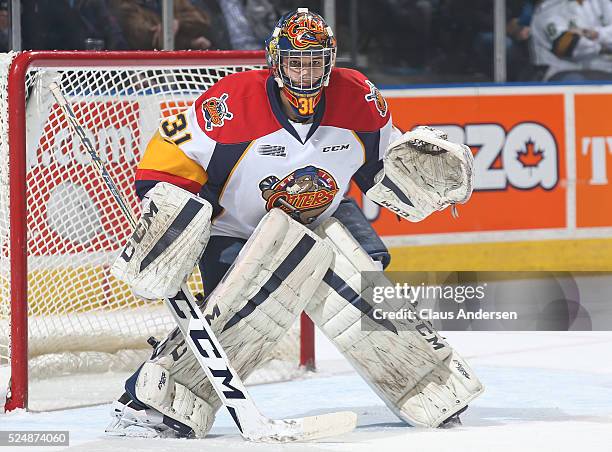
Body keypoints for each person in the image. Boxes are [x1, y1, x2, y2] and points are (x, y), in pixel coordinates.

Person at [107, 8, 480, 439]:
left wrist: (411, 174)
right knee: (244, 314)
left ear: (331, 60)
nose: (305, 73)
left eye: (316, 62)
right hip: (238, 230)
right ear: (275, 60)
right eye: (295, 62)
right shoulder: (233, 103)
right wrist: (169, 217)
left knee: (365, 288)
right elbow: (169, 157)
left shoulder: (359, 97)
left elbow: (380, 169)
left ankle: (426, 382)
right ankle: (150, 399)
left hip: (323, 217)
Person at [530, 0, 612, 81]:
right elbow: (567, 46)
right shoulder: (548, 10)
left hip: (605, 68)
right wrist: (604, 47)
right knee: (575, 81)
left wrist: (597, 34)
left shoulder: (601, 2)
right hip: (564, 72)